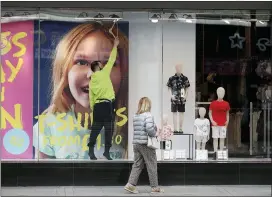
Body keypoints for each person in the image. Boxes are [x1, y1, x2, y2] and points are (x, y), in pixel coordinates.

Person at [33, 22, 128, 160]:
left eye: (108, 64)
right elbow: (41, 178)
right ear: (64, 70)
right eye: (82, 62)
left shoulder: (129, 124)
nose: (92, 74)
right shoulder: (49, 125)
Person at [88, 37, 119, 160]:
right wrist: (115, 45)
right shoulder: (104, 72)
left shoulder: (91, 81)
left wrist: (94, 109)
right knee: (109, 130)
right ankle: (106, 152)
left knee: (95, 130)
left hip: (97, 107)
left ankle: (91, 151)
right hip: (107, 105)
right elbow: (111, 59)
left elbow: (91, 98)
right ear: (99, 66)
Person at [124, 97, 164, 194]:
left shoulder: (136, 116)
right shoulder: (148, 115)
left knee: (137, 164)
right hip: (146, 144)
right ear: (148, 105)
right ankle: (154, 187)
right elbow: (149, 130)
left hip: (136, 143)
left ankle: (130, 185)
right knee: (152, 164)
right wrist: (155, 133)